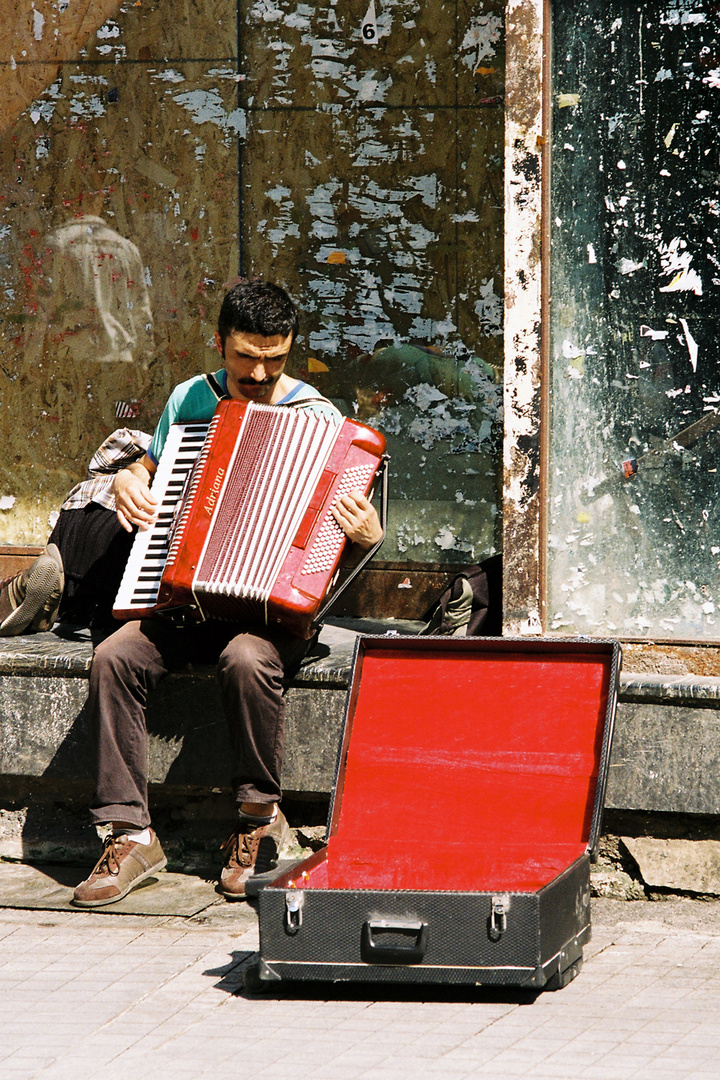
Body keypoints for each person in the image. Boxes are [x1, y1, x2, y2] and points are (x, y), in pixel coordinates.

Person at [71, 281, 383, 907]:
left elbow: (344, 543)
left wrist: (368, 537)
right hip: (187, 597)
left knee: (245, 657)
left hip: (273, 612)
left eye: (276, 357)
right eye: (247, 356)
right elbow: (156, 472)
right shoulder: (190, 398)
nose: (261, 372)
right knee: (113, 657)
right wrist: (132, 478)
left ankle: (257, 822)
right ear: (220, 344)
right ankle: (131, 833)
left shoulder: (321, 422)